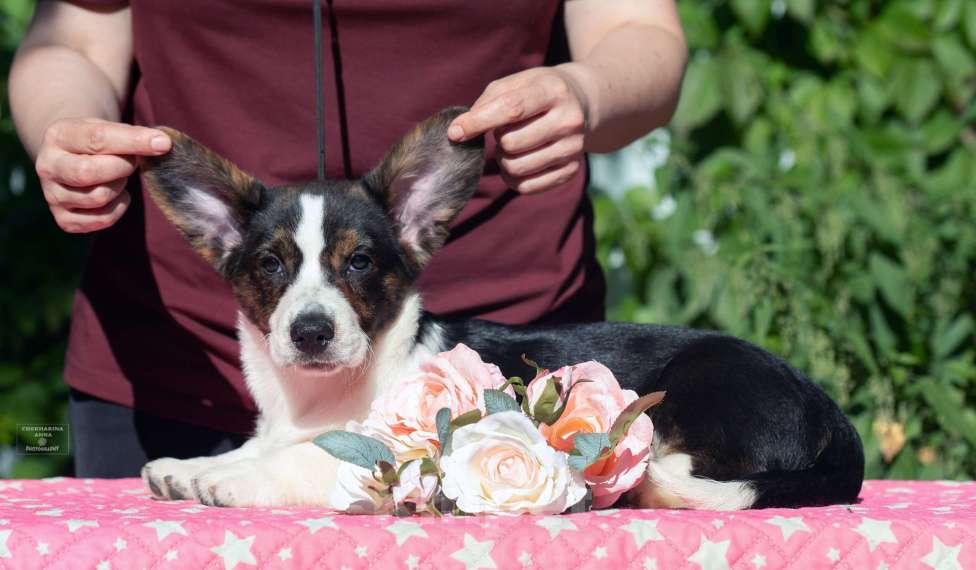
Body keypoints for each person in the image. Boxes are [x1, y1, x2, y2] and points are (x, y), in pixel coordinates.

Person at [9, 0, 687, 477]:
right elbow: (72, 38)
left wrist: (587, 88)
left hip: (493, 373)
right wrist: (67, 129)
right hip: (181, 363)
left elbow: (635, 27)